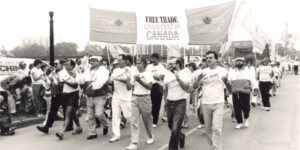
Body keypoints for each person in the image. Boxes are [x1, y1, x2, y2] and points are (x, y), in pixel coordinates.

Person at [193, 51, 231, 150]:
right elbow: (194, 87)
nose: (208, 60)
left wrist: (226, 82)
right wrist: (198, 80)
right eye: (207, 58)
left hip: (218, 102)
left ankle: (217, 147)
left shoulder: (223, 71)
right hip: (205, 103)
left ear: (216, 59)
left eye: (211, 58)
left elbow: (230, 89)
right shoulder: (203, 72)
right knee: (208, 129)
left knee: (216, 128)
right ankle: (214, 145)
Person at [126, 58, 154, 150]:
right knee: (134, 121)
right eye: (136, 63)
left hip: (145, 97)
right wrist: (128, 79)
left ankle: (150, 136)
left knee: (147, 120)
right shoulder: (134, 74)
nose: (137, 65)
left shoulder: (148, 73)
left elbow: (149, 87)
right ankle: (134, 142)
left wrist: (139, 80)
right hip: (135, 97)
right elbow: (129, 88)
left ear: (144, 65)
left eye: (139, 63)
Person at [164, 57, 191, 150]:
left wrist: (178, 79)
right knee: (171, 126)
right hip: (169, 102)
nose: (169, 65)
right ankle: (181, 136)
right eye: (169, 64)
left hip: (180, 103)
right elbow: (166, 89)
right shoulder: (167, 74)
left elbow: (187, 89)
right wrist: (165, 102)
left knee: (175, 127)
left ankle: (172, 148)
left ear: (178, 64)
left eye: (172, 63)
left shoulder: (185, 74)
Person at [79, 56, 109, 140]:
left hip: (100, 95)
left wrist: (92, 85)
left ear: (99, 62)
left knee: (98, 114)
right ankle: (92, 133)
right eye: (91, 61)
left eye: (94, 61)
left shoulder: (103, 70)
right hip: (89, 95)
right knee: (90, 115)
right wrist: (76, 77)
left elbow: (101, 81)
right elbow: (81, 79)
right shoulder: (88, 70)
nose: (91, 62)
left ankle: (106, 125)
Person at [228, 57, 258, 129]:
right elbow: (229, 80)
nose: (239, 63)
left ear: (243, 62)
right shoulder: (232, 71)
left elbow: (253, 80)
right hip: (235, 92)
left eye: (240, 61)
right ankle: (239, 122)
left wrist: (255, 89)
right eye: (237, 61)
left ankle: (246, 118)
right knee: (237, 108)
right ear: (235, 63)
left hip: (245, 91)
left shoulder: (248, 71)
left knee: (246, 107)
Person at [55, 59, 82, 140]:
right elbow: (60, 84)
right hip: (65, 95)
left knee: (67, 113)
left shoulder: (76, 73)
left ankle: (62, 132)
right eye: (65, 64)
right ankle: (79, 127)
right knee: (72, 113)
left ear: (72, 66)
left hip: (73, 95)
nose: (65, 65)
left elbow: (75, 85)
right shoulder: (62, 73)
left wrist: (65, 82)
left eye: (67, 64)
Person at [109, 54, 132, 142]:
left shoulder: (129, 69)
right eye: (117, 60)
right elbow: (111, 81)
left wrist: (118, 79)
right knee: (115, 116)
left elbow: (128, 82)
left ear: (125, 60)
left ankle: (134, 130)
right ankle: (116, 135)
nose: (118, 62)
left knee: (128, 115)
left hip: (125, 96)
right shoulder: (115, 70)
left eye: (120, 60)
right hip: (116, 96)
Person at [146, 53, 167, 127]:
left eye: (154, 59)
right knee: (149, 104)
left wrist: (153, 75)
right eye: (152, 58)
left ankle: (155, 121)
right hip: (150, 85)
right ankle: (150, 119)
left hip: (158, 86)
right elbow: (146, 75)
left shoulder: (161, 67)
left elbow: (161, 78)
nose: (152, 60)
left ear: (158, 59)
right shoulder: (149, 66)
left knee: (156, 104)